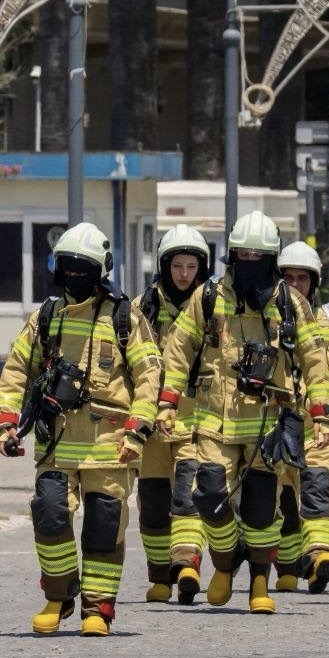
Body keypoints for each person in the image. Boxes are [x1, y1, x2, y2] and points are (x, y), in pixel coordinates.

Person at [158, 211, 329, 615]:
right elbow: (178, 352)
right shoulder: (207, 298)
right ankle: (225, 561)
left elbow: (316, 363)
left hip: (267, 425)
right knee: (210, 497)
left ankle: (258, 582)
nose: (250, 264)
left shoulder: (291, 304)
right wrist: (167, 403)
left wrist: (321, 416)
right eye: (243, 255)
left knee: (259, 510)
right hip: (213, 424)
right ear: (233, 256)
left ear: (270, 259)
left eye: (259, 257)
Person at [0, 222, 162, 635]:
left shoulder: (126, 319)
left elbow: (148, 375)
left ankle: (98, 608)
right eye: (68, 267)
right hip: (58, 442)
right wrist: (6, 421)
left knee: (105, 525)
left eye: (83, 268)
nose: (75, 275)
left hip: (111, 444)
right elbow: (16, 371)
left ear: (100, 270)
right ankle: (59, 595)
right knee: (49, 515)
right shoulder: (45, 319)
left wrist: (139, 427)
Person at [130, 225, 211, 602]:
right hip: (152, 422)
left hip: (196, 419)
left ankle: (187, 563)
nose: (183, 273)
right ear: (164, 265)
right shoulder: (139, 309)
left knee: (189, 495)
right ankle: (160, 576)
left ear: (201, 267)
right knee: (152, 502)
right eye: (177, 265)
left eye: (190, 265)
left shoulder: (214, 307)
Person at [272, 240, 329, 594]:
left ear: (314, 283)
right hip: (276, 421)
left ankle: (320, 556)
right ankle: (288, 567)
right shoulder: (263, 318)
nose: (295, 284)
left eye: (302, 278)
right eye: (288, 277)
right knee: (281, 500)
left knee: (316, 491)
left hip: (315, 424)